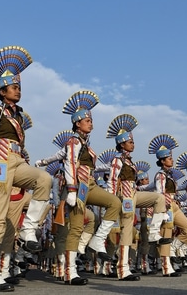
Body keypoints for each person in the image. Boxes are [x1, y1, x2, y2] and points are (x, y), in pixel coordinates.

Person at [0, 46, 51, 292]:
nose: (18, 90)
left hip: (18, 162)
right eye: (13, 87)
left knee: (44, 180)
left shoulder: (17, 115)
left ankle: (29, 230)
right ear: (2, 91)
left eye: (19, 87)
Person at [60, 90, 121, 286]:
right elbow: (69, 162)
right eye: (87, 120)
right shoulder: (74, 141)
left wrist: (111, 164)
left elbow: (92, 166)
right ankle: (70, 272)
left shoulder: (87, 144)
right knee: (76, 228)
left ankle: (98, 240)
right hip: (78, 186)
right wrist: (70, 189)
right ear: (77, 123)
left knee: (114, 202)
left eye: (91, 120)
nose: (90, 123)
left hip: (91, 184)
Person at [105, 114, 168, 281]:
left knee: (158, 199)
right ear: (122, 143)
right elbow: (112, 180)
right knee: (126, 232)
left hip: (133, 195)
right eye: (130, 141)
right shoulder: (117, 160)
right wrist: (111, 200)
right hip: (124, 198)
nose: (133, 144)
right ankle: (123, 268)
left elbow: (135, 185)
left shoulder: (131, 162)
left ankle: (154, 232)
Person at [147, 134, 187, 277]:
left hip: (174, 206)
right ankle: (166, 267)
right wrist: (164, 209)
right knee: (166, 235)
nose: (172, 160)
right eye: (169, 158)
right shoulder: (160, 176)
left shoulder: (170, 176)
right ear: (162, 161)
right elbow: (159, 193)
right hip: (166, 207)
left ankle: (174, 249)